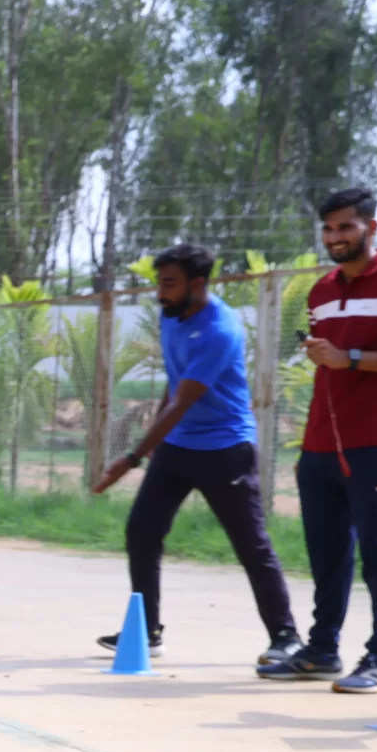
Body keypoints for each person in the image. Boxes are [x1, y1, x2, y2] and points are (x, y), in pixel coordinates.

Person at [260, 187, 377, 692]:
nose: (335, 238)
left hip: (374, 437)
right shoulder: (321, 290)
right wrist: (329, 354)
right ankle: (322, 650)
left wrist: (351, 357)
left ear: (371, 228)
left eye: (346, 227)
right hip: (319, 443)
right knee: (326, 551)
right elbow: (331, 358)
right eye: (329, 229)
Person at [90, 243, 301, 666]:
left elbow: (183, 400)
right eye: (158, 282)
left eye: (169, 283)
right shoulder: (173, 317)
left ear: (198, 284)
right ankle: (146, 631)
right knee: (142, 531)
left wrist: (131, 458)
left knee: (250, 543)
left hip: (225, 449)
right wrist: (156, 448)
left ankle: (286, 636)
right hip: (178, 445)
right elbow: (175, 384)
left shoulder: (220, 329)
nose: (160, 292)